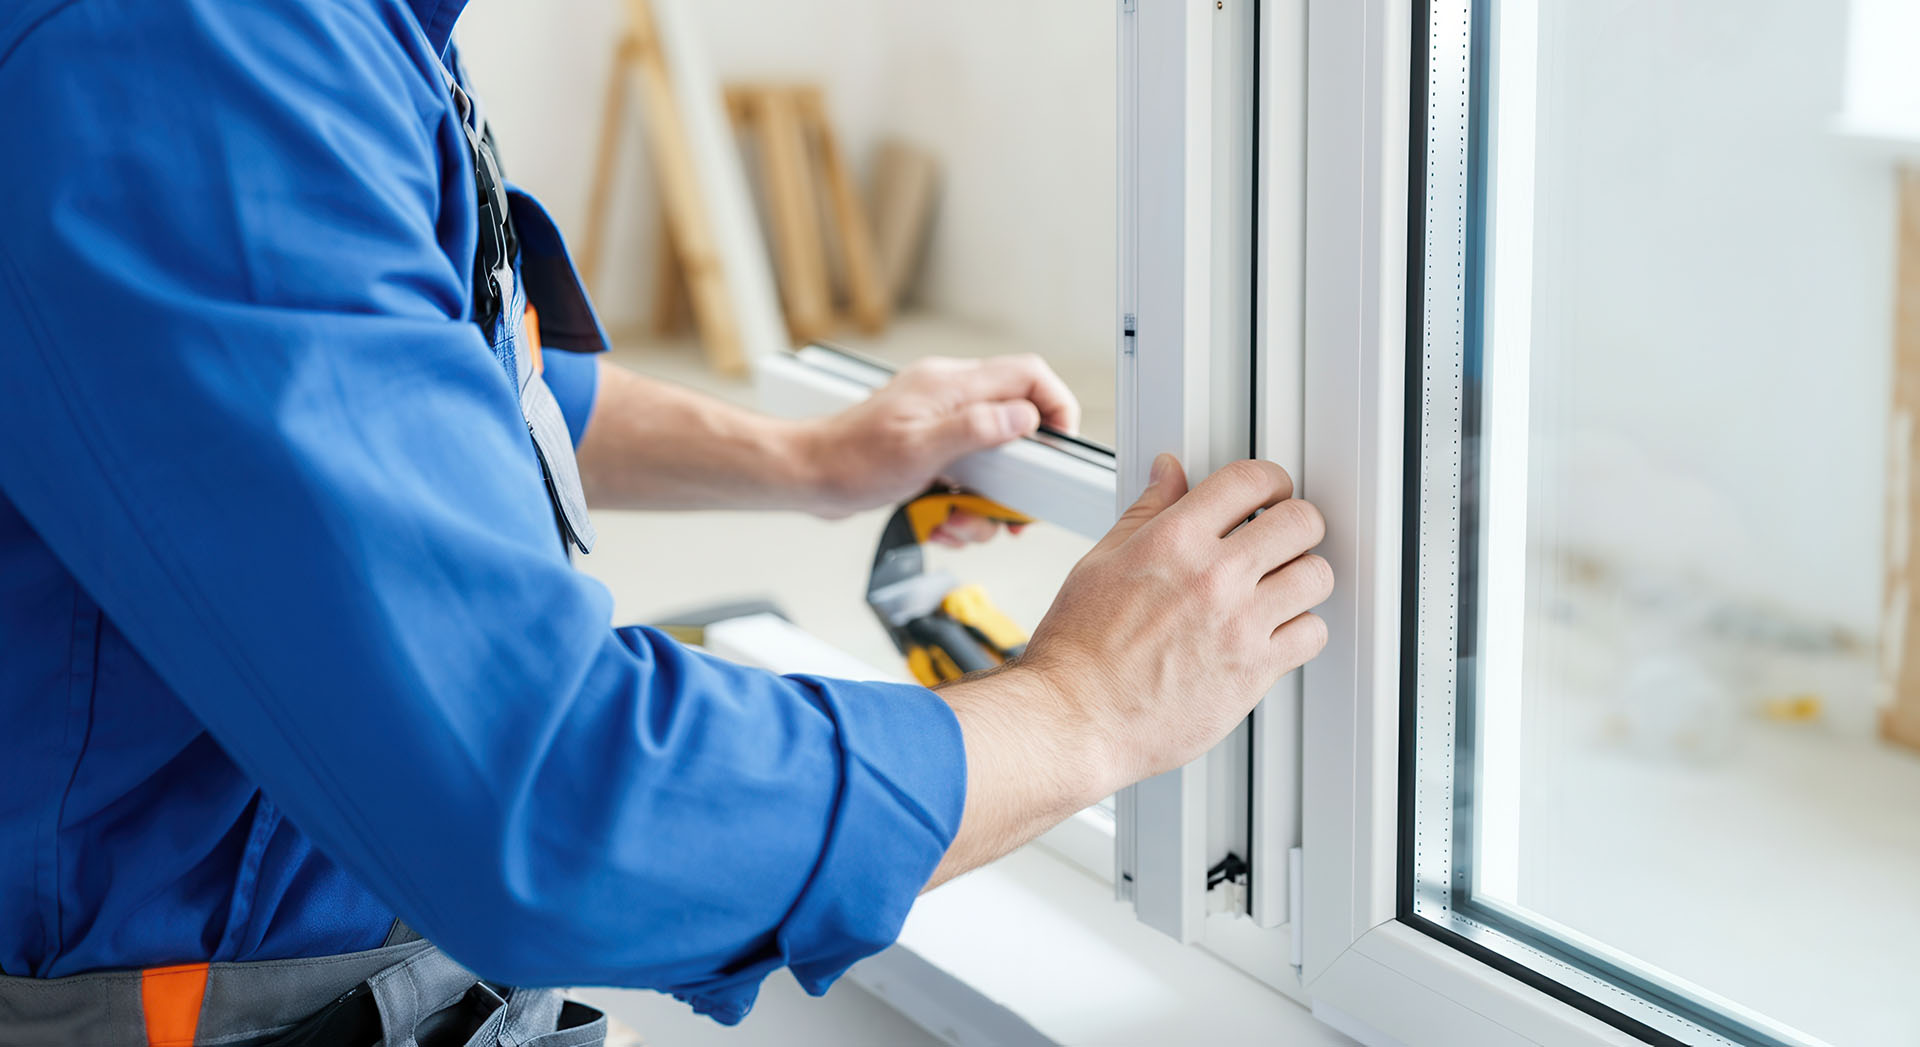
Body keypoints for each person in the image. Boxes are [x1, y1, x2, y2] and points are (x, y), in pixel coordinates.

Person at [0, 1, 1332, 1044]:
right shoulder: (181, 51)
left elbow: (440, 377)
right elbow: (557, 807)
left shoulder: (327, 35)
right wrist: (1085, 707)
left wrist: (810, 458)